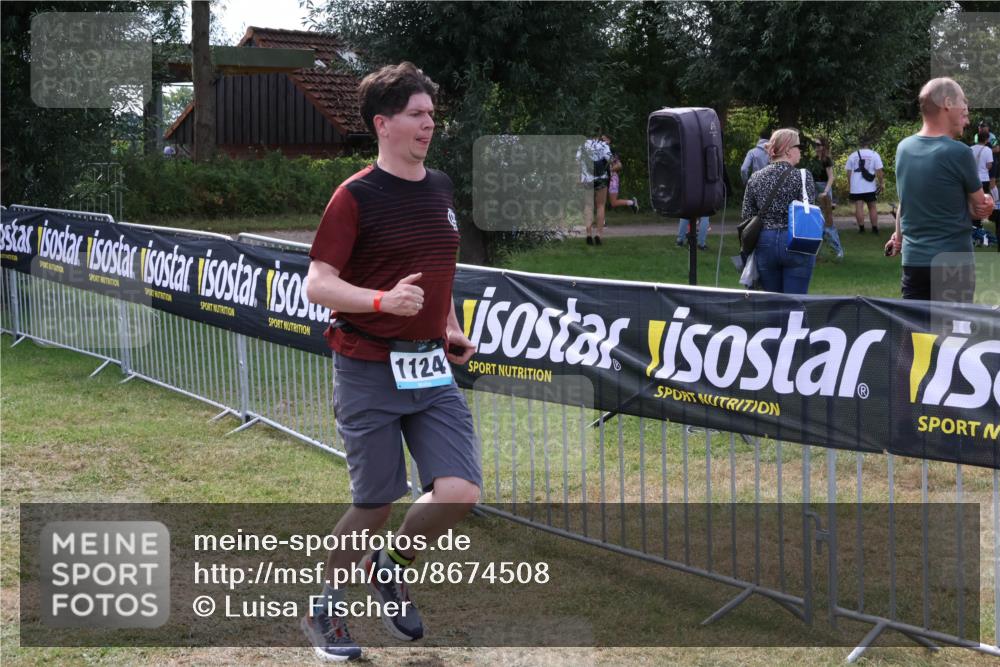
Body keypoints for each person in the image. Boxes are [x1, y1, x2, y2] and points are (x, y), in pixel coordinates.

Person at [301, 62, 482, 661]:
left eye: (431, 114)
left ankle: (390, 565)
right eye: (416, 115)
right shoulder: (353, 196)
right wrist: (382, 300)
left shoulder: (441, 187)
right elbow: (318, 284)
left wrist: (451, 327)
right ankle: (324, 608)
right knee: (375, 502)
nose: (429, 124)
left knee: (459, 491)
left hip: (431, 368)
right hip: (367, 366)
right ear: (383, 123)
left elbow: (438, 271)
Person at [885, 77, 994, 302]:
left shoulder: (903, 148)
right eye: (963, 101)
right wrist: (986, 203)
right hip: (954, 264)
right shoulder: (960, 153)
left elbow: (905, 201)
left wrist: (898, 237)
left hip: (913, 262)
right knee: (952, 335)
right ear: (947, 103)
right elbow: (979, 209)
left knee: (914, 333)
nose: (967, 110)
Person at [741, 128, 818, 294]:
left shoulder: (755, 177)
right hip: (796, 241)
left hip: (765, 242)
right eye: (799, 146)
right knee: (795, 304)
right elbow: (809, 209)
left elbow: (747, 215)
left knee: (773, 304)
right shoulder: (802, 176)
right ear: (788, 150)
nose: (801, 151)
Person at [808, 137, 843, 260]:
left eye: (818, 144)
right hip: (814, 189)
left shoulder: (826, 160)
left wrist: (825, 192)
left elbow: (831, 177)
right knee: (817, 222)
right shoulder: (812, 160)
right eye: (815, 144)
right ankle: (816, 252)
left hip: (824, 189)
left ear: (823, 146)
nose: (816, 147)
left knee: (828, 223)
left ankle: (838, 251)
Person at [577, 133, 612, 245]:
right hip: (601, 178)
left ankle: (588, 234)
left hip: (587, 179)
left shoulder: (582, 145)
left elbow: (577, 161)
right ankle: (599, 235)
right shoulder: (603, 145)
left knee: (588, 206)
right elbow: (610, 159)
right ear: (599, 133)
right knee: (600, 206)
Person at [845, 138, 884, 234]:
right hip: (870, 186)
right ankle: (875, 228)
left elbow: (849, 173)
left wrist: (850, 185)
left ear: (859, 145)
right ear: (868, 144)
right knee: (872, 207)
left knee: (859, 207)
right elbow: (879, 171)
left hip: (856, 187)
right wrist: (881, 183)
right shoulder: (874, 154)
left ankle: (861, 229)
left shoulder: (852, 155)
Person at [971, 130, 994, 228]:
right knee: (981, 203)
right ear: (986, 139)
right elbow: (989, 165)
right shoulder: (988, 150)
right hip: (984, 178)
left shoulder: (970, 148)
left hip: (971, 179)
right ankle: (979, 224)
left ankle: (972, 223)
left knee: (971, 201)